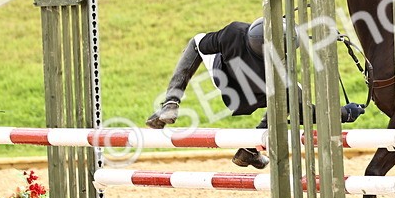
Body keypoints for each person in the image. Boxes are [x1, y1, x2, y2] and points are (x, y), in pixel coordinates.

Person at [146, 18, 364, 169]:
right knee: (290, 94)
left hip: (226, 86)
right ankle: (250, 149)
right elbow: (306, 114)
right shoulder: (281, 74)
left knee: (196, 41)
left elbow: (202, 46)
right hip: (256, 97)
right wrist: (344, 113)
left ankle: (171, 103)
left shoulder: (234, 32)